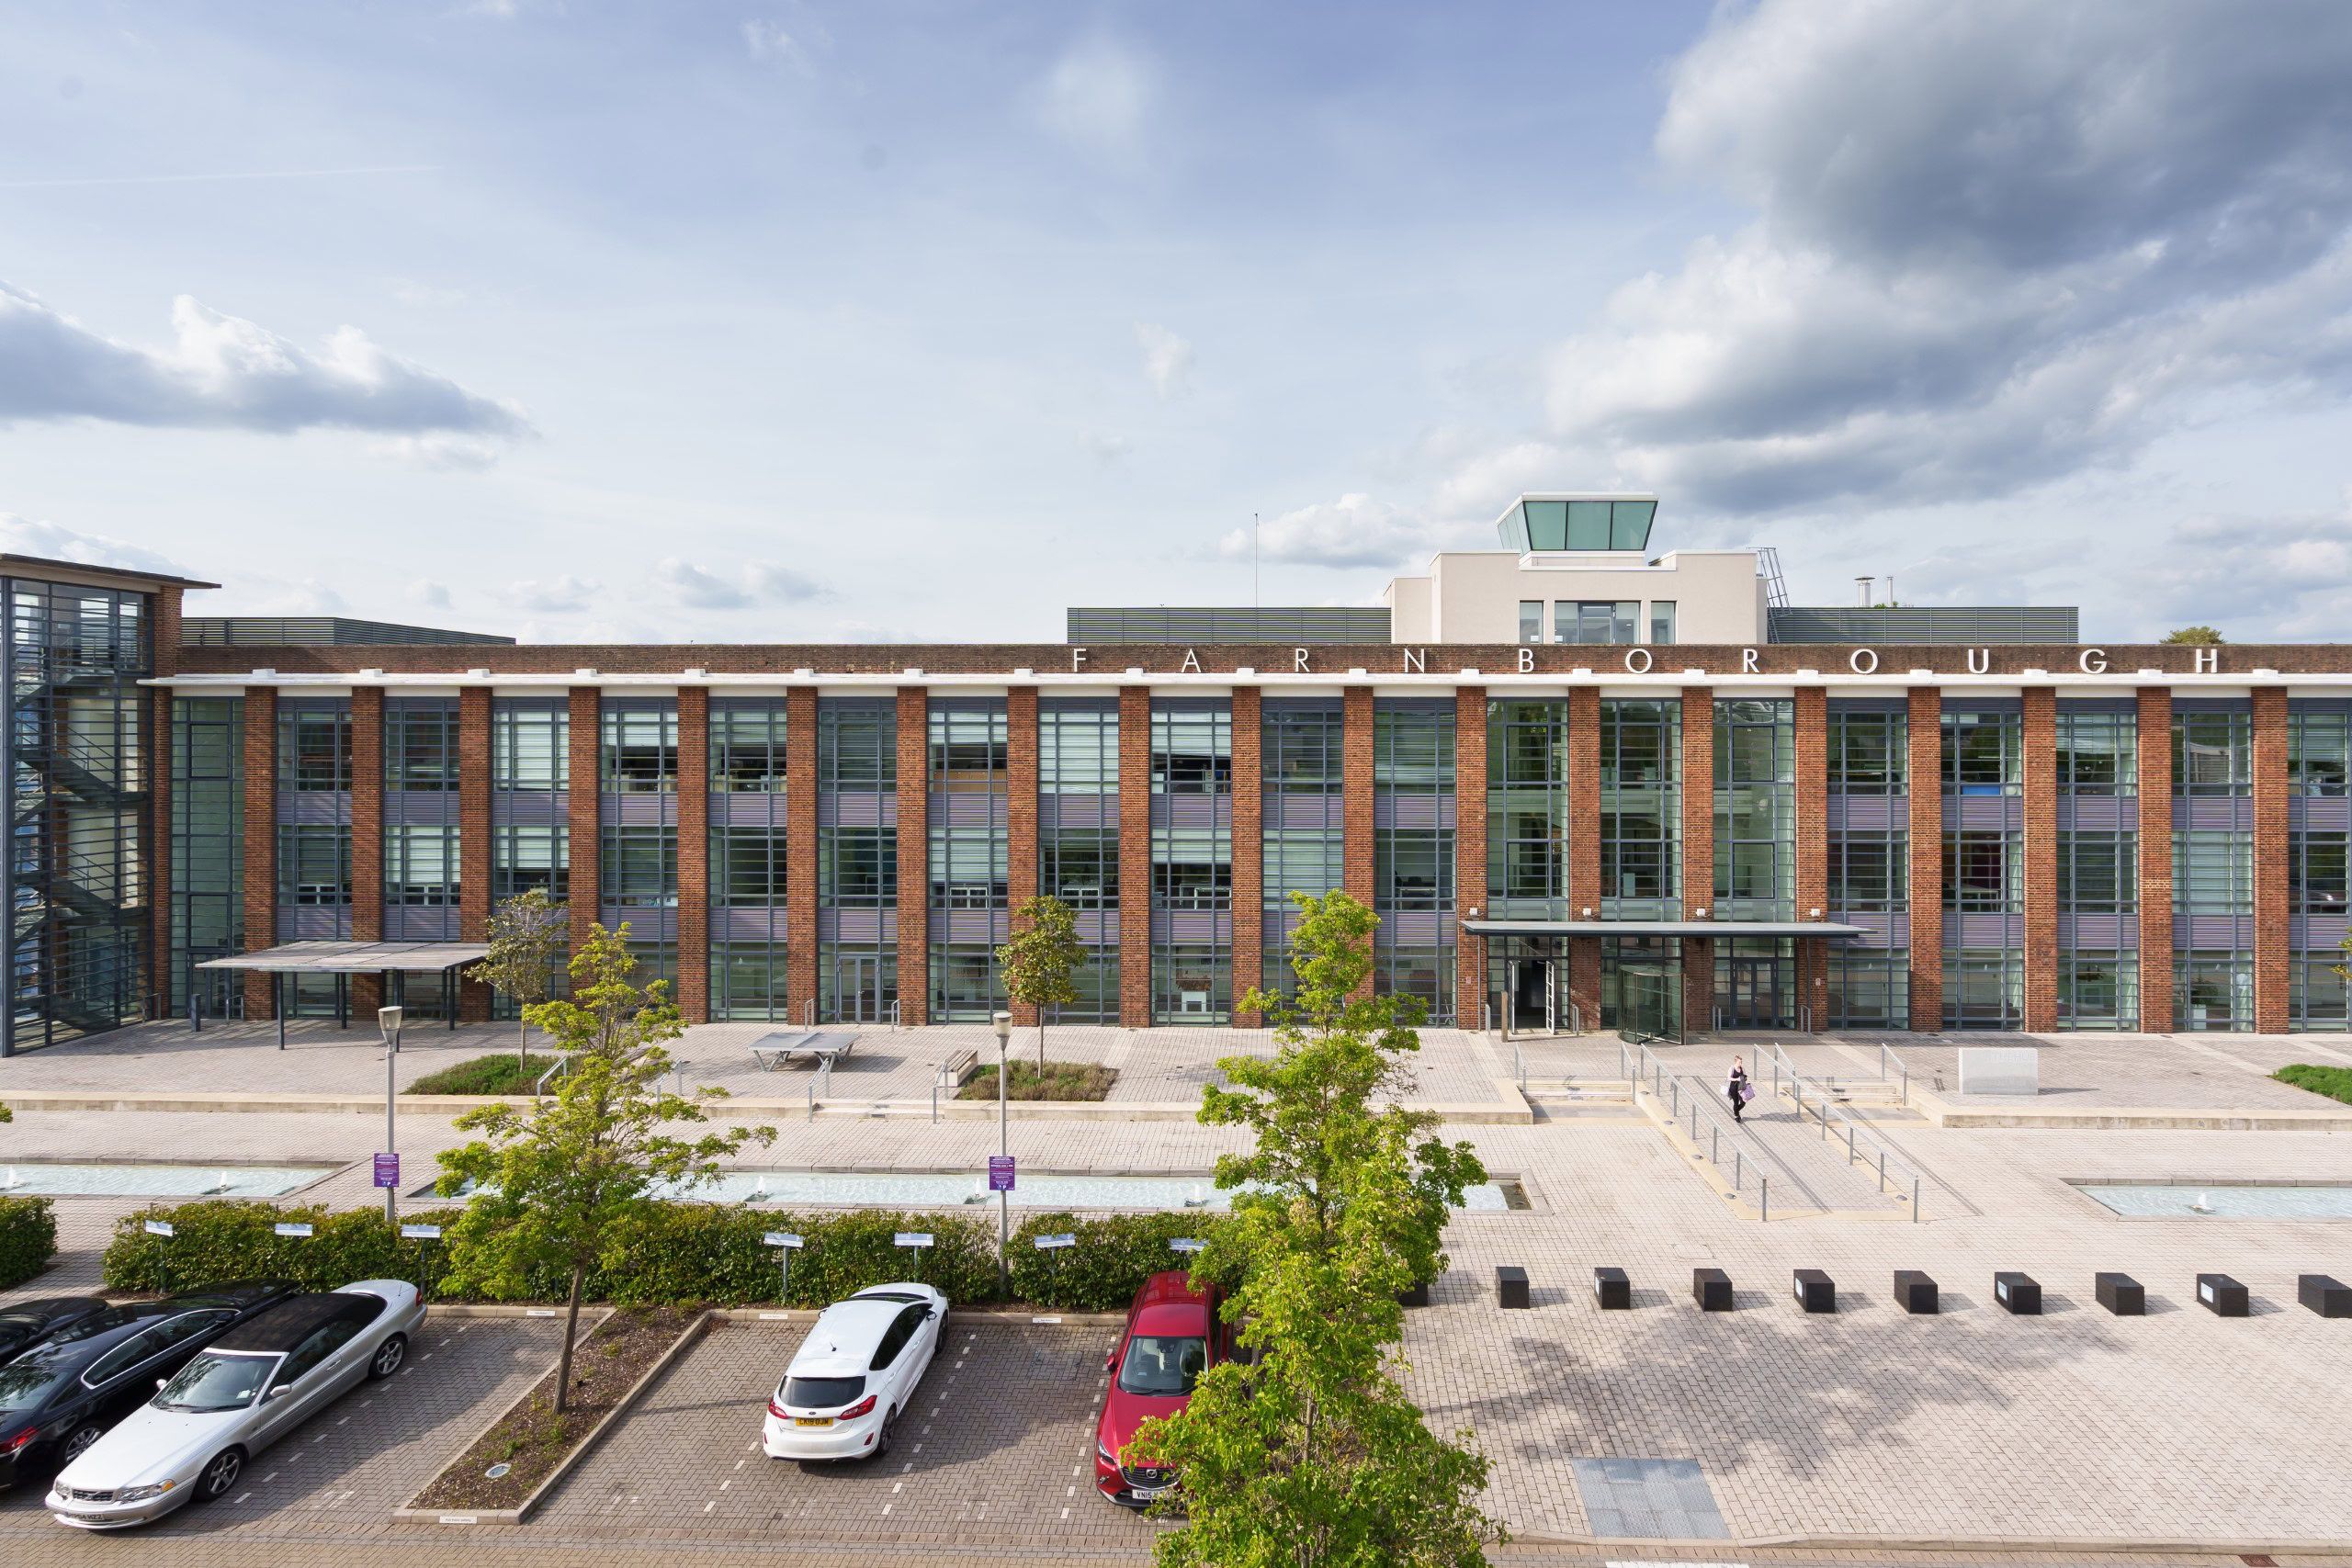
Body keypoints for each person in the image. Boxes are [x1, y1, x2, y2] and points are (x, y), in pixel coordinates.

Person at [1726, 1055, 1750, 1123]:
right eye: (1739, 1062)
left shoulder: (1742, 1068)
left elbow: (1744, 1076)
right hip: (1733, 1087)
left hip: (1741, 1087)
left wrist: (1744, 1078)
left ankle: (1736, 1111)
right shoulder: (1732, 1068)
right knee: (1736, 1103)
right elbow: (1729, 1078)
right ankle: (1737, 1116)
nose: (1741, 1064)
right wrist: (1737, 1079)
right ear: (1736, 1062)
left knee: (1743, 1102)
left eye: (1741, 1062)